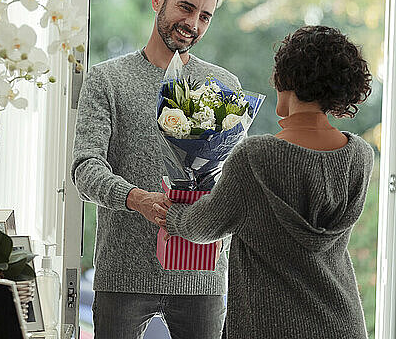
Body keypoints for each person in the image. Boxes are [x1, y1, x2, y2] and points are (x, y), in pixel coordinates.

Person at [154, 26, 374, 339]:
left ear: (286, 79)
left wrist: (172, 214)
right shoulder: (360, 156)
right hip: (343, 325)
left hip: (269, 326)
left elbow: (202, 227)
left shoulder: (256, 156)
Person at [71, 0, 240, 339]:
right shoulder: (107, 79)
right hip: (124, 272)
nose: (193, 24)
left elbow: (232, 180)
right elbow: (85, 167)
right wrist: (136, 198)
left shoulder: (224, 84)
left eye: (205, 16)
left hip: (201, 274)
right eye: (185, 7)